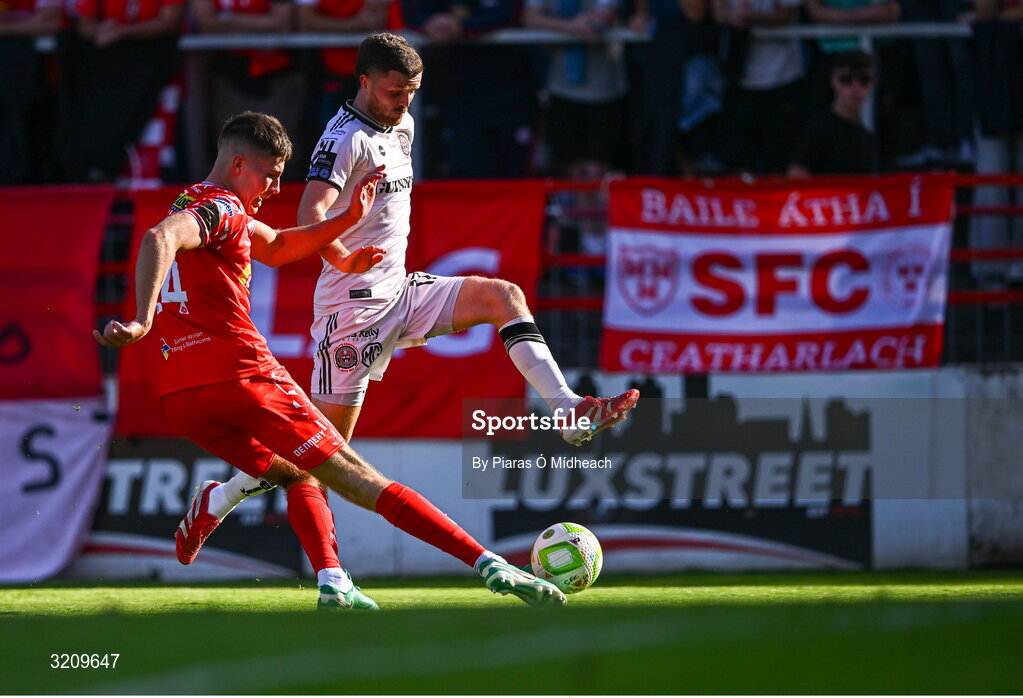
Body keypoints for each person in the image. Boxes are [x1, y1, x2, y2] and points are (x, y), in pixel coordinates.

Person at [179, 33, 639, 570]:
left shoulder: (403, 125)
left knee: (503, 296)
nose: (405, 102)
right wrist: (344, 255)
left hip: (399, 290)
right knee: (321, 457)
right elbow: (312, 209)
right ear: (365, 82)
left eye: (413, 92)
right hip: (350, 312)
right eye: (396, 92)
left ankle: (567, 411)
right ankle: (219, 499)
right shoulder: (343, 138)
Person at [96, 111, 567, 609]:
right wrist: (142, 319)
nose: (276, 188)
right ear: (239, 164)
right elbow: (158, 237)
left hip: (183, 395)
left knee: (296, 472)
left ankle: (315, 570)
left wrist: (344, 227)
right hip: (243, 375)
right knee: (354, 475)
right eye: (271, 174)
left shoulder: (202, 201)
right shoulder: (219, 209)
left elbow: (276, 247)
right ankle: (490, 567)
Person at [788, 50, 879, 177]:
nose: (855, 87)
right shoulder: (818, 130)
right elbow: (797, 176)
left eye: (864, 79)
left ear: (872, 84)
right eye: (847, 79)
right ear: (834, 81)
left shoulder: (867, 137)